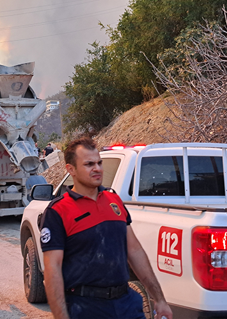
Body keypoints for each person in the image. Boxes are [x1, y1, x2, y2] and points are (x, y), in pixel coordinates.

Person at [40, 137, 173, 319]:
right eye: (89, 164)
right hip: (85, 308)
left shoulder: (114, 201)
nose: (97, 169)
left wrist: (160, 299)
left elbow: (135, 251)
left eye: (99, 163)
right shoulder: (58, 212)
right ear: (71, 170)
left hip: (126, 304)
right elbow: (52, 270)